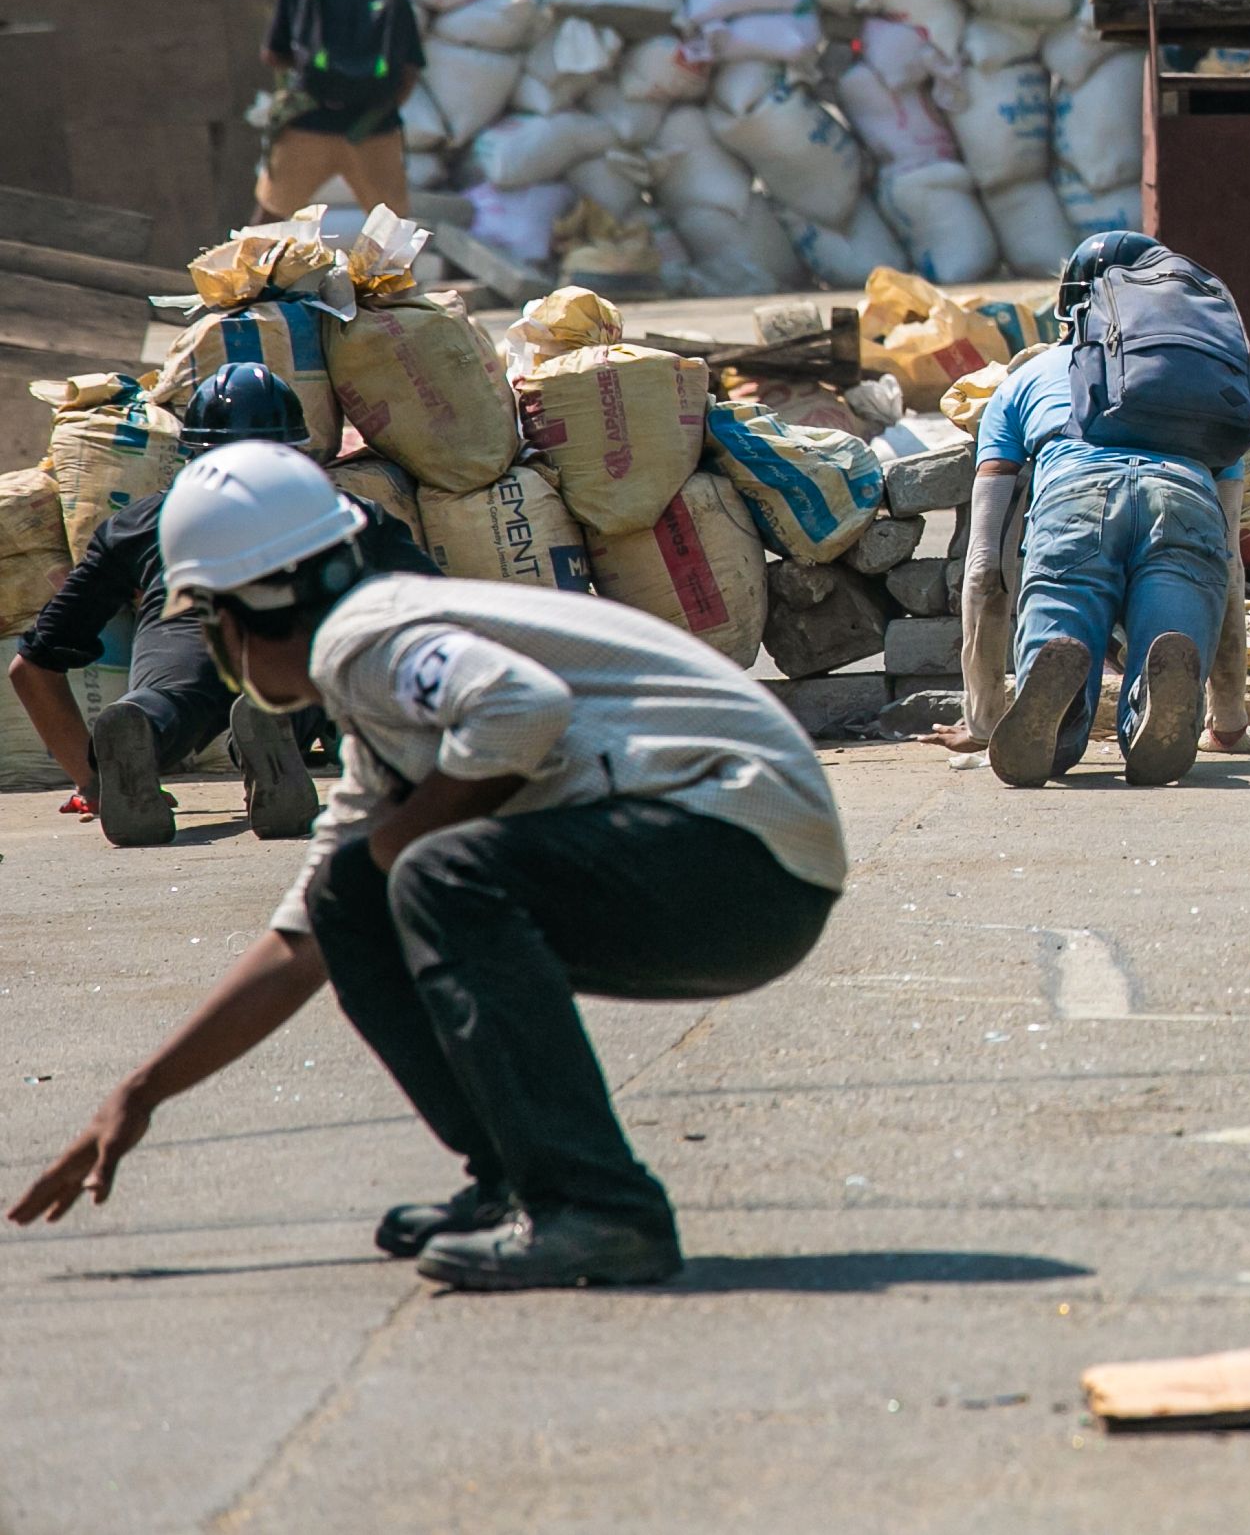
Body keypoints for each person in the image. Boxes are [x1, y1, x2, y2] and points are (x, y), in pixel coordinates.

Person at [10, 444, 846, 1289]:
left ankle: (599, 1206)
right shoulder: (379, 689)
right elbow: (304, 938)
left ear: (246, 612)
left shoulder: (365, 637)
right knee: (355, 892)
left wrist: (393, 849)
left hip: (744, 850)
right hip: (752, 863)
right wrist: (142, 1092)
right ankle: (519, 1183)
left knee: (429, 870)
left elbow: (520, 704)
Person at [12, 363, 435, 846]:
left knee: (170, 699)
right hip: (289, 636)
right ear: (297, 451)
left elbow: (33, 665)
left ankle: (144, 722)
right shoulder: (345, 514)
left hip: (185, 627)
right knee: (312, 673)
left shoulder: (139, 523)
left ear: (191, 451)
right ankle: (278, 720)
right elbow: (433, 609)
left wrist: (94, 784)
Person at [967, 232, 1242, 790]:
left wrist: (980, 722)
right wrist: (1232, 721)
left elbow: (983, 569)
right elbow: (1232, 566)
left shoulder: (1024, 381)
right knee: (1173, 641)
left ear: (1067, 305)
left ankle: (1061, 718)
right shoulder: (1203, 387)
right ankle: (1154, 711)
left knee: (1060, 641)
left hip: (1075, 496)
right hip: (1184, 494)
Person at [256, 0, 423, 218]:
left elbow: (273, 55)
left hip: (307, 124)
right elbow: (411, 67)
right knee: (391, 233)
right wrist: (378, 104)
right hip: (374, 129)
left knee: (267, 224)